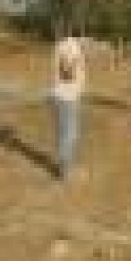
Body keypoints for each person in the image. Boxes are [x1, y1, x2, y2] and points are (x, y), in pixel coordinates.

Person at [52, 31, 85, 180]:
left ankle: (65, 167)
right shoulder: (72, 45)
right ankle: (65, 170)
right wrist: (75, 63)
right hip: (68, 96)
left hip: (60, 95)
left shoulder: (60, 44)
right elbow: (66, 70)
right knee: (70, 134)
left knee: (64, 133)